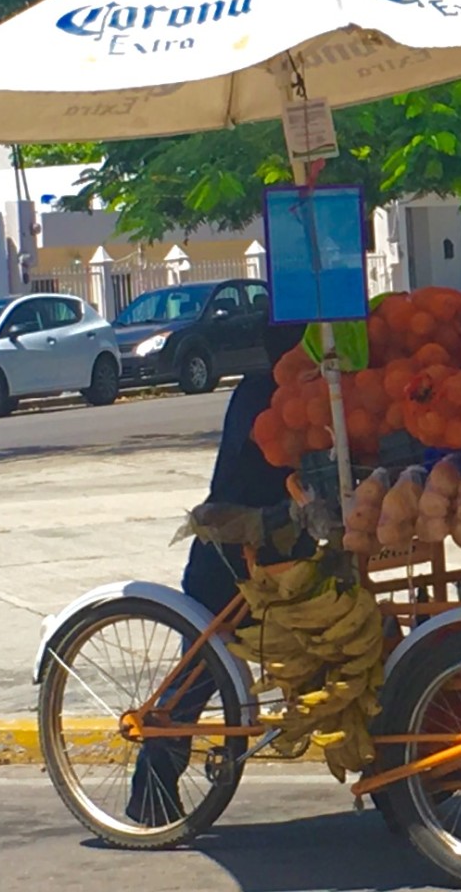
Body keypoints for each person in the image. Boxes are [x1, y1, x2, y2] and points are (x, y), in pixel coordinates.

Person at [126, 319, 311, 826]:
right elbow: (281, 465)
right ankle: (151, 791)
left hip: (272, 553)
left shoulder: (288, 391)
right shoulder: (268, 398)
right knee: (199, 674)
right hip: (229, 555)